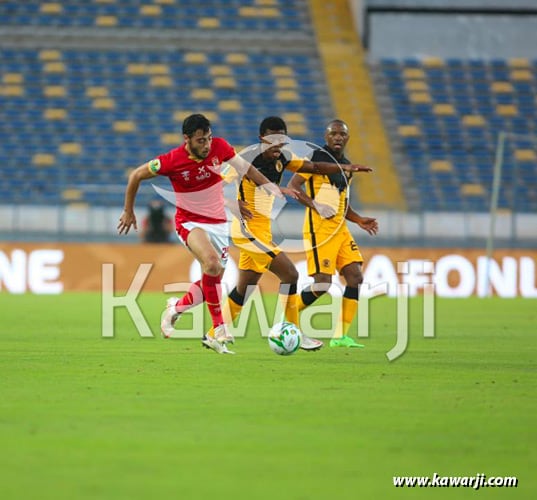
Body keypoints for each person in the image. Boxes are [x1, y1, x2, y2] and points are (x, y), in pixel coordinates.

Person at [117, 113, 288, 354]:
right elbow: (136, 175)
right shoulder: (171, 161)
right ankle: (219, 329)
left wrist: (268, 185)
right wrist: (128, 210)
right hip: (189, 222)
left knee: (212, 278)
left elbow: (245, 168)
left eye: (208, 138)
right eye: (200, 140)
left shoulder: (220, 147)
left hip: (218, 224)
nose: (207, 145)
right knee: (212, 263)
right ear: (186, 139)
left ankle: (175, 308)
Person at [204, 116, 372, 350]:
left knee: (245, 288)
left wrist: (343, 167)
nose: (278, 144)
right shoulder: (245, 159)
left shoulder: (284, 157)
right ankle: (294, 331)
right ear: (262, 138)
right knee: (290, 275)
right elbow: (211, 187)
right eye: (272, 139)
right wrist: (233, 204)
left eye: (281, 139)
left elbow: (313, 168)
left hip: (261, 232)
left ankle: (213, 334)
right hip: (247, 231)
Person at [288, 119, 378, 347]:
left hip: (340, 230)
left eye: (342, 134)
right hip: (319, 229)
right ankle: (287, 316)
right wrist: (315, 205)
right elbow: (293, 186)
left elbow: (341, 203)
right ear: (326, 137)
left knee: (355, 278)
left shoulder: (347, 166)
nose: (338, 137)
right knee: (322, 284)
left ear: (348, 138)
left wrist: (358, 220)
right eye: (334, 133)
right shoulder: (315, 159)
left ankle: (340, 336)